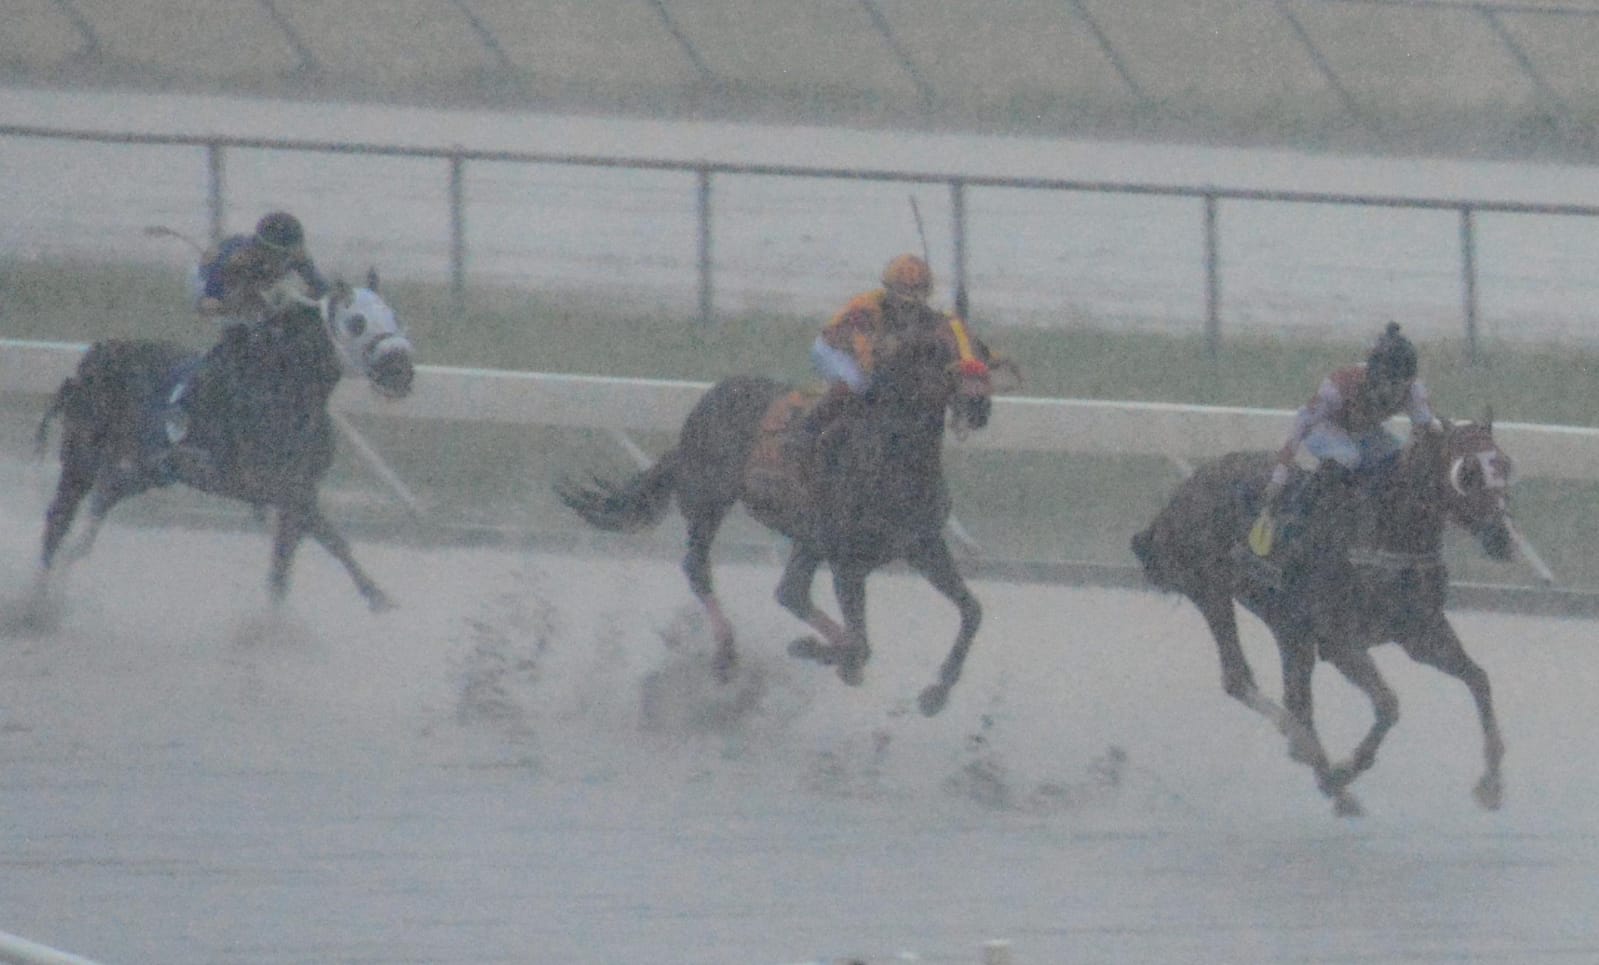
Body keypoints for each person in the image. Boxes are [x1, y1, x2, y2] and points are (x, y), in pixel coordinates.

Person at [1251, 321, 1442, 556]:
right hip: (1326, 428)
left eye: (1402, 385)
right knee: (1348, 457)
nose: (1394, 393)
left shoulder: (1414, 391)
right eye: (1389, 384)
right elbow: (1302, 422)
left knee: (1399, 459)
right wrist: (1279, 476)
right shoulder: (1339, 386)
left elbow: (1427, 430)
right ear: (1373, 376)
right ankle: (1300, 517)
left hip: (1364, 433)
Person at [166, 212, 330, 482]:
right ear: (262, 248)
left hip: (252, 295)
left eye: (288, 256)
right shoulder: (235, 257)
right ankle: (182, 410)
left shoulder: (295, 256)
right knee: (235, 344)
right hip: (212, 285)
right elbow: (210, 302)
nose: (283, 262)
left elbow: (320, 290)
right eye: (278, 256)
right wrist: (225, 304)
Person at [796, 253, 968, 460]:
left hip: (865, 351)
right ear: (890, 290)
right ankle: (807, 431)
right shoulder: (867, 309)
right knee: (857, 383)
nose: (910, 307)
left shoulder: (922, 314)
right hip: (834, 349)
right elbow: (865, 354)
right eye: (904, 300)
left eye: (917, 298)